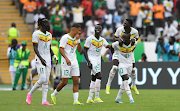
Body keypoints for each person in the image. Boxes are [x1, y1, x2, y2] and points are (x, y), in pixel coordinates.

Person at [26, 18, 58, 105]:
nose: (50, 26)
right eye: (48, 24)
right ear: (43, 25)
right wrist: (41, 59)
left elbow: (49, 48)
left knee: (46, 80)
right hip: (39, 59)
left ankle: (44, 101)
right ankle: (30, 94)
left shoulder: (49, 35)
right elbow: (35, 48)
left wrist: (54, 56)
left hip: (48, 59)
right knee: (43, 79)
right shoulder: (36, 34)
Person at [51, 23, 83, 105]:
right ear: (74, 30)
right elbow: (61, 49)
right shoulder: (65, 37)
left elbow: (79, 51)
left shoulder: (76, 38)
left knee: (76, 81)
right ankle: (54, 94)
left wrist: (78, 41)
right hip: (66, 62)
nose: (79, 32)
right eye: (78, 31)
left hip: (74, 61)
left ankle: (76, 101)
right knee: (64, 82)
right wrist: (67, 59)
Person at [106, 19, 139, 95]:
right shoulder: (119, 30)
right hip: (118, 51)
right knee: (114, 67)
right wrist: (118, 40)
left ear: (130, 25)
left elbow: (135, 41)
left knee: (133, 70)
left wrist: (133, 44)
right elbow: (113, 39)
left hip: (128, 52)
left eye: (126, 24)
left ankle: (133, 85)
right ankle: (108, 85)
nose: (124, 25)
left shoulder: (135, 32)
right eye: (124, 23)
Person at [84, 24, 113, 103]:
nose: (97, 29)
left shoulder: (102, 40)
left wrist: (116, 46)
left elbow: (109, 47)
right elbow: (84, 50)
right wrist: (88, 61)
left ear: (101, 30)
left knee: (94, 78)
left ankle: (89, 98)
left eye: (99, 28)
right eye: (96, 28)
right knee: (99, 76)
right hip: (91, 59)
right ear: (94, 29)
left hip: (98, 60)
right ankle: (97, 97)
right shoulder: (90, 39)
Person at [113, 33, 136, 104]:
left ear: (129, 39)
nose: (123, 40)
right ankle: (131, 99)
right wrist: (114, 56)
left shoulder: (134, 43)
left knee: (124, 82)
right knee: (125, 79)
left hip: (129, 64)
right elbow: (111, 46)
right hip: (122, 64)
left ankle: (118, 98)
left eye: (125, 38)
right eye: (123, 38)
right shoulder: (118, 44)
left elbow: (132, 51)